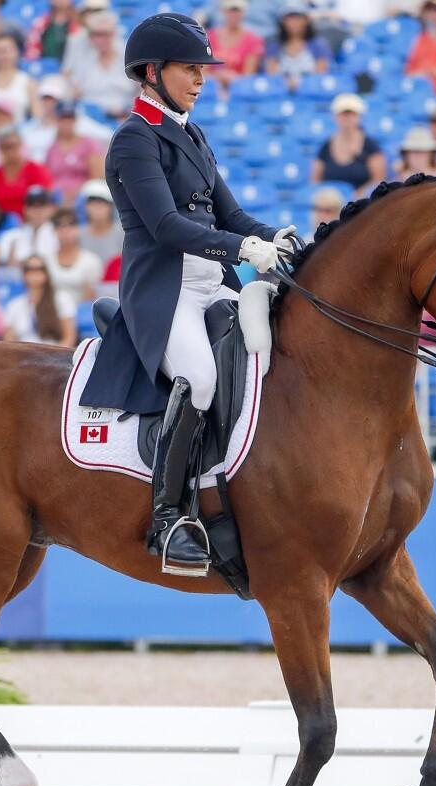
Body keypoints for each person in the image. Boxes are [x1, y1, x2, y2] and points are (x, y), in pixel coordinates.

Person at [78, 12, 294, 572]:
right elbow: (167, 227)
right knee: (198, 378)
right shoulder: (133, 139)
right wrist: (245, 251)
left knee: (266, 355)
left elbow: (234, 214)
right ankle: (169, 518)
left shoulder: (191, 134)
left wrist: (283, 239)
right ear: (152, 71)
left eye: (203, 69)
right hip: (165, 291)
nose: (201, 79)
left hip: (212, 284)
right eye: (190, 69)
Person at [308, 93, 385, 191]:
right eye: (343, 114)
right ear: (335, 117)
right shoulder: (326, 146)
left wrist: (359, 196)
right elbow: (315, 181)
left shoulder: (370, 146)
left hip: (362, 203)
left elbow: (377, 180)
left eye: (352, 114)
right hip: (332, 203)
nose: (347, 118)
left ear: (360, 117)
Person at [67, 11, 136, 118]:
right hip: (90, 118)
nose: (100, 39)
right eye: (95, 35)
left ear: (113, 34)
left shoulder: (127, 57)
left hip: (123, 116)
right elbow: (74, 92)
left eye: (105, 34)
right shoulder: (83, 59)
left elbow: (141, 90)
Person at [5, 256, 78, 345]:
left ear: (46, 273)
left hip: (53, 353)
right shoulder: (15, 305)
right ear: (24, 274)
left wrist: (55, 357)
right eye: (29, 269)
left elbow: (69, 336)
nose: (35, 273)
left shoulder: (61, 299)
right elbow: (9, 340)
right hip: (23, 354)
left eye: (40, 269)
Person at [46, 101, 106, 203]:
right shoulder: (52, 147)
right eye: (63, 119)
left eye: (70, 118)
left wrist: (76, 194)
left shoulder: (88, 144)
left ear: (75, 120)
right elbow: (48, 177)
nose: (66, 123)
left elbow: (97, 176)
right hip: (57, 199)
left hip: (84, 197)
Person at [264, 1, 331, 89]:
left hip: (311, 94)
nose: (294, 22)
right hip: (280, 95)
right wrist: (286, 83)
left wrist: (300, 84)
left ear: (306, 20)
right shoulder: (275, 46)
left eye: (298, 18)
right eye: (289, 18)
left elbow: (320, 75)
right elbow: (271, 75)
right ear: (282, 21)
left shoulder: (318, 45)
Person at [44, 207, 103, 304]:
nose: (66, 230)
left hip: (82, 316)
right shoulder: (46, 261)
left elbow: (92, 296)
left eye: (71, 224)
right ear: (54, 230)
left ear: (78, 229)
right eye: (60, 225)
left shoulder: (92, 260)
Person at [0, 185, 60, 264]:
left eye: (42, 205)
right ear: (25, 209)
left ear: (52, 209)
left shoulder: (60, 235)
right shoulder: (11, 236)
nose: (37, 211)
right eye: (32, 205)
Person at [207, 0, 264, 91]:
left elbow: (248, 75)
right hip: (212, 89)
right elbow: (203, 71)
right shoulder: (209, 36)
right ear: (224, 11)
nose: (234, 14)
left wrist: (231, 78)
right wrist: (220, 77)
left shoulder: (253, 39)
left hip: (239, 90)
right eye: (231, 10)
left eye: (237, 10)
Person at [0, 30, 35, 123]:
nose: (4, 55)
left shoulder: (28, 82)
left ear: (17, 52)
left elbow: (37, 118)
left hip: (18, 132)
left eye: (7, 50)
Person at [78, 179, 124, 263]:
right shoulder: (78, 234)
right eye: (93, 203)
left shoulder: (123, 232)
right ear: (85, 207)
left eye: (102, 203)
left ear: (111, 206)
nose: (97, 208)